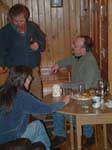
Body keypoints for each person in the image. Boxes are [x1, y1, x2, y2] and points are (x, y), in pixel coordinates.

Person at [0, 65, 70, 150]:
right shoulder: (22, 96)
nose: (31, 79)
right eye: (29, 78)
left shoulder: (3, 90)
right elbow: (46, 109)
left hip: (3, 136)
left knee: (37, 133)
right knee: (38, 125)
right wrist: (63, 102)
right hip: (12, 137)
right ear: (23, 79)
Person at [51, 35, 101, 147]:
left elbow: (86, 85)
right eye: (73, 43)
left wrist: (64, 85)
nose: (72, 46)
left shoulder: (90, 62)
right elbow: (68, 59)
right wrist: (58, 64)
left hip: (89, 95)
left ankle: (89, 134)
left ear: (83, 50)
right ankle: (61, 135)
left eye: (75, 45)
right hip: (77, 93)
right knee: (58, 106)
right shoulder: (77, 56)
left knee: (68, 111)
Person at [0, 4, 45, 99]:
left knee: (37, 97)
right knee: (17, 98)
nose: (19, 23)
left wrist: (39, 45)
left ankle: (39, 114)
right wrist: (1, 65)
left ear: (26, 17)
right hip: (15, 72)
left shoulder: (32, 26)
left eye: (22, 21)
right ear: (11, 19)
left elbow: (42, 41)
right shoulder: (4, 32)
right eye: (16, 21)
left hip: (33, 69)